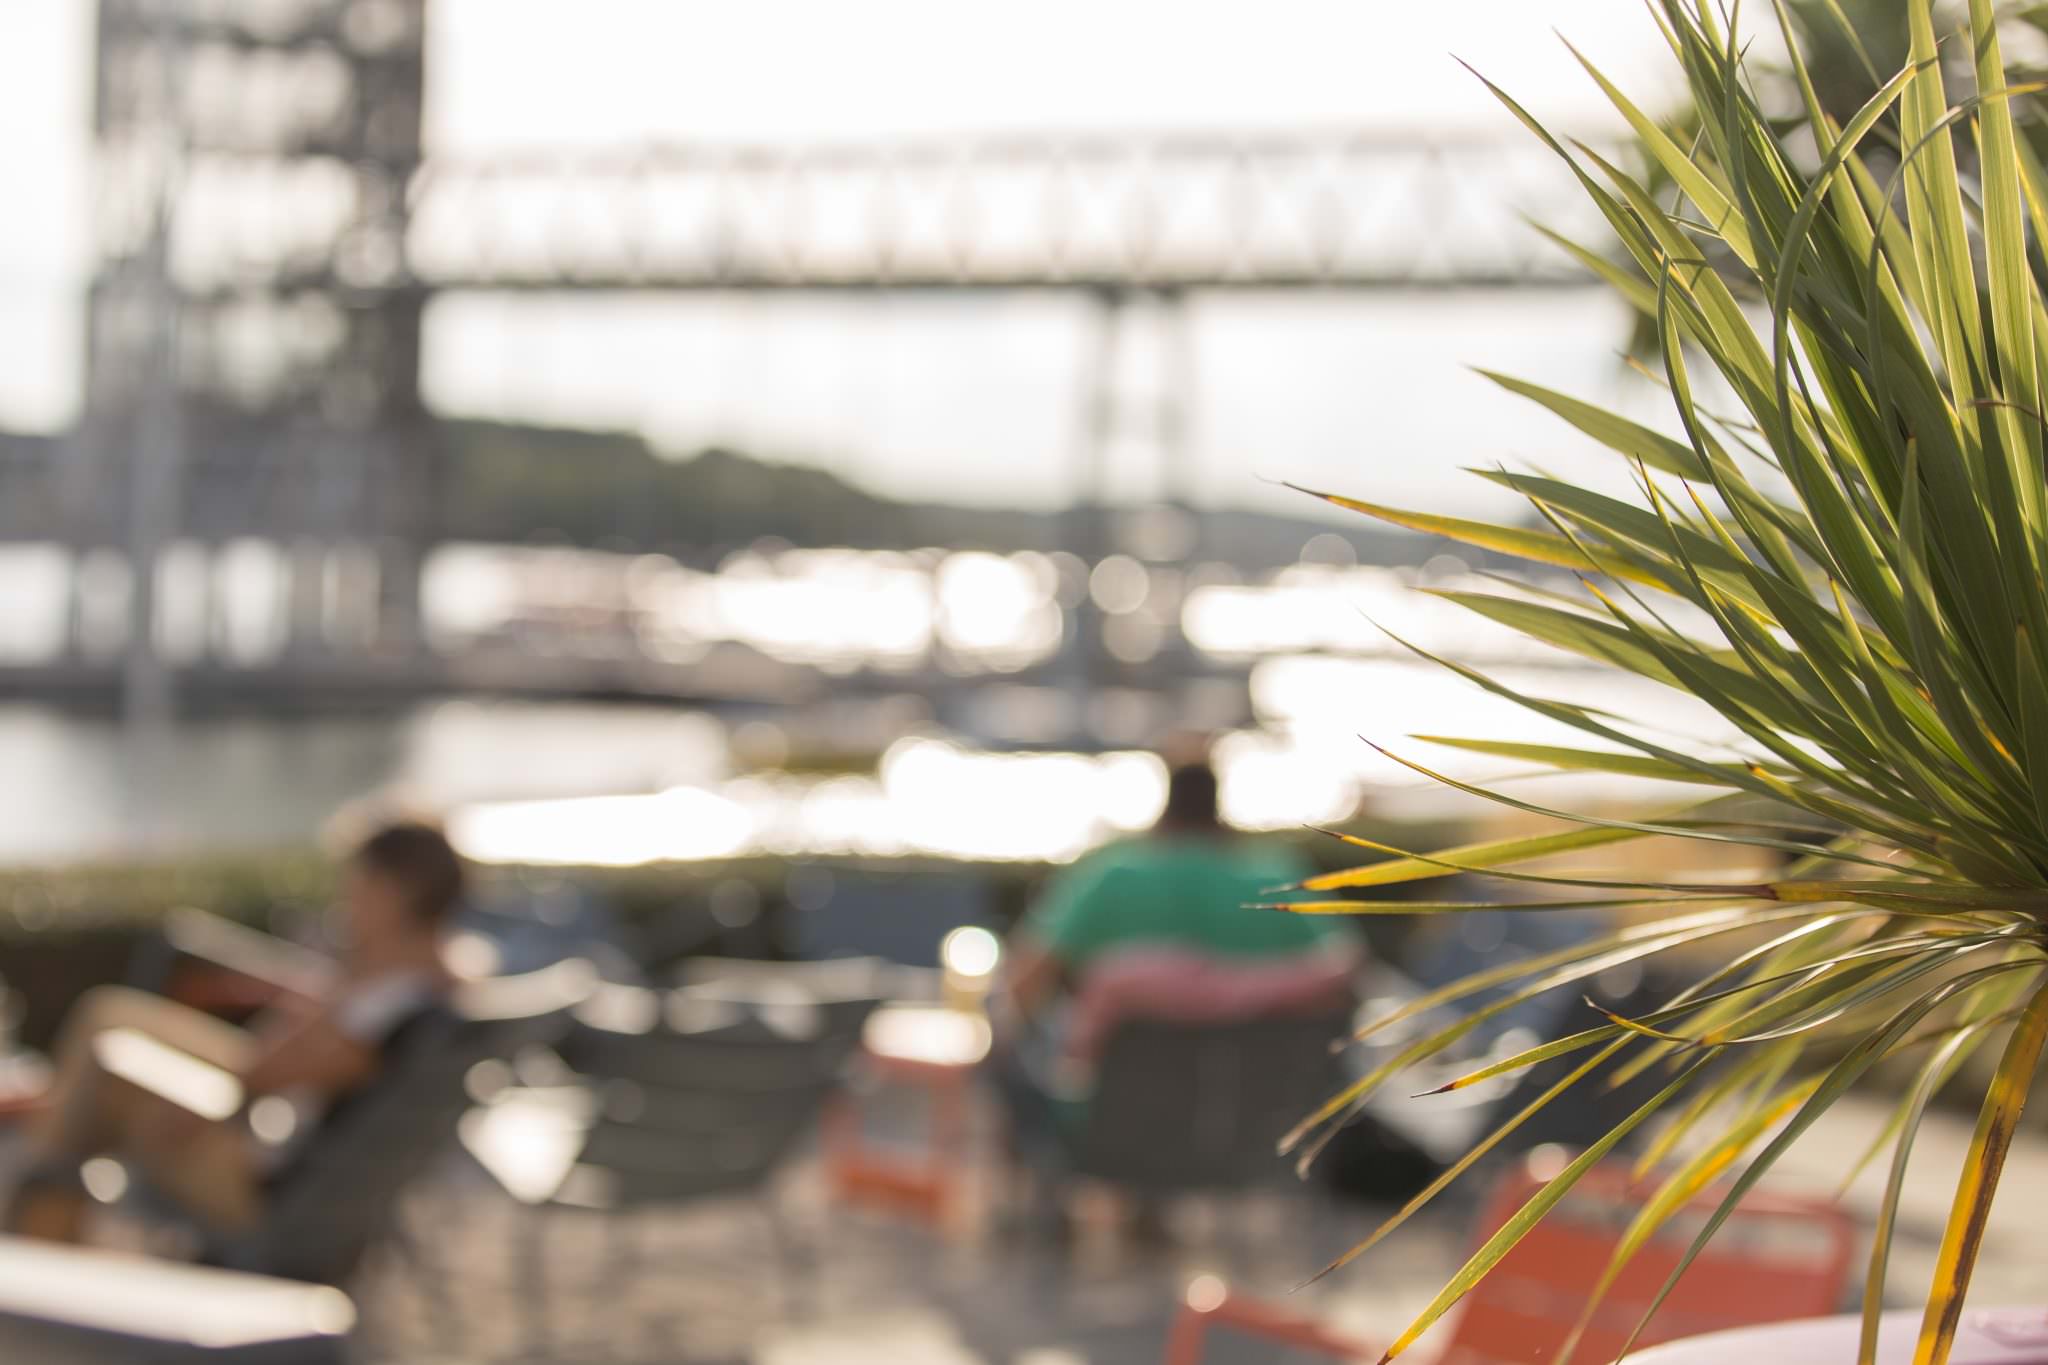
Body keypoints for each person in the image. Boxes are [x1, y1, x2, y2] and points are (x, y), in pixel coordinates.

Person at [3, 820, 465, 1244]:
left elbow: (264, 1074)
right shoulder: (420, 977)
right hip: (277, 1146)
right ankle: (38, 1180)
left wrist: (336, 992)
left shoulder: (391, 1005)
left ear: (391, 893)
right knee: (108, 1018)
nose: (346, 896)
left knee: (102, 1082)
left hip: (266, 1184)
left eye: (357, 882)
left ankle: (31, 1236)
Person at [991, 758, 1360, 1162]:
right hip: (1259, 1137)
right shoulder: (1276, 876)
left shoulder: (1111, 875)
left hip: (1109, 1134)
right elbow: (1347, 971)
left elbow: (1022, 985)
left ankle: (1069, 1212)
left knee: (1014, 1069)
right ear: (1218, 807)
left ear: (1166, 804)